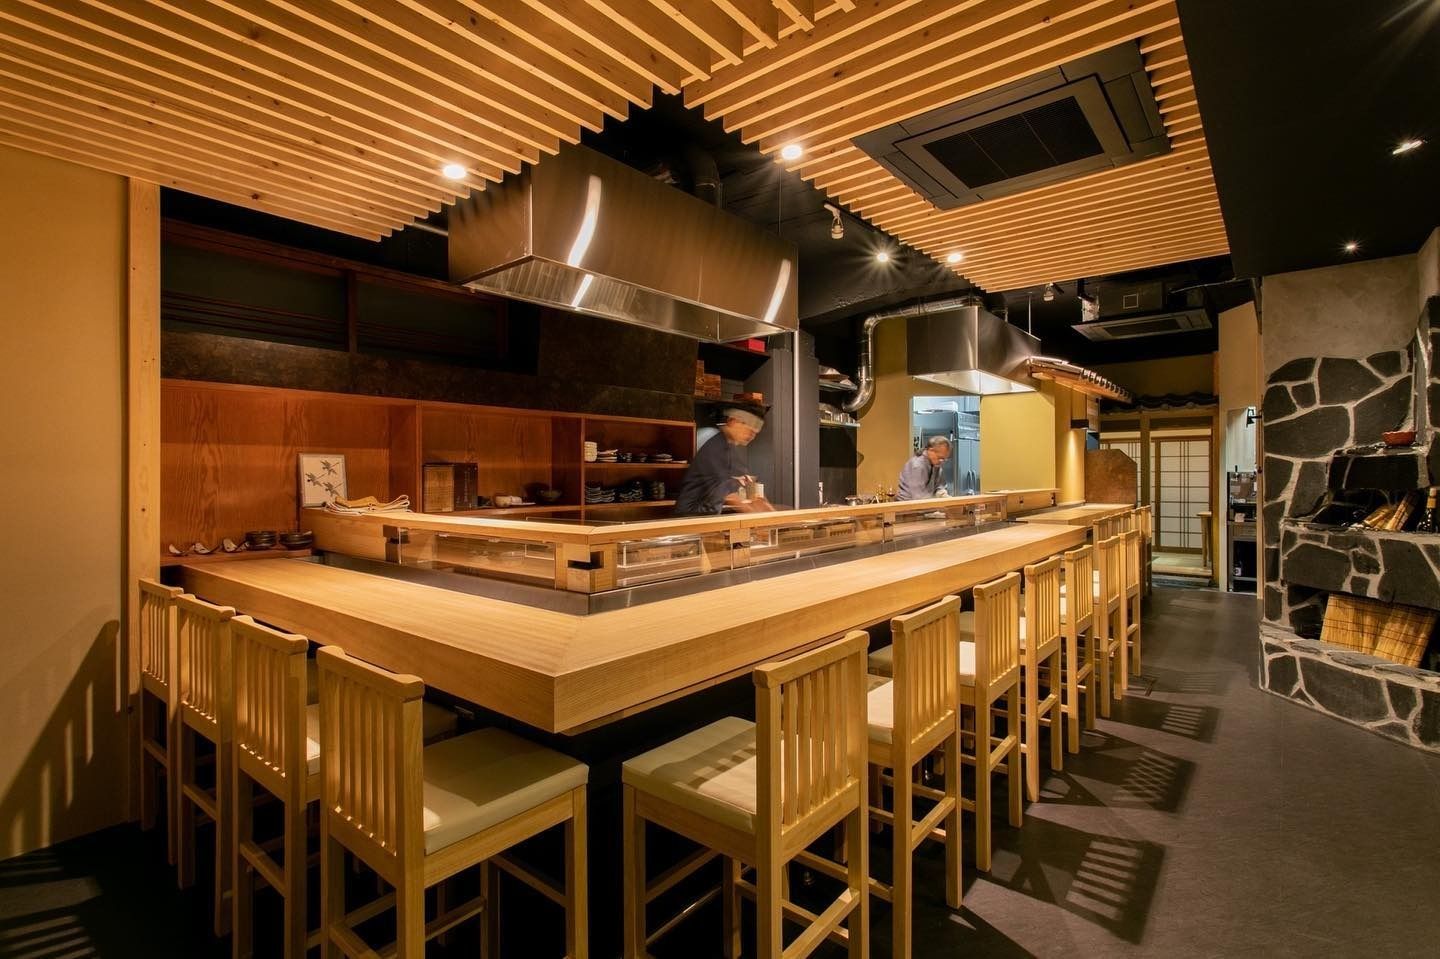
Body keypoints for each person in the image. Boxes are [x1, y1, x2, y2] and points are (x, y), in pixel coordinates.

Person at [673, 407, 776, 515]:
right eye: (749, 431)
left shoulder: (729, 447)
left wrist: (770, 511)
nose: (751, 436)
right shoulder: (716, 447)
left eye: (755, 433)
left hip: (707, 516)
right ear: (733, 421)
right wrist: (755, 516)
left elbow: (749, 484)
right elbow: (729, 495)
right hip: (691, 516)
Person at [896, 436, 951, 501]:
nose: (941, 461)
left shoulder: (936, 464)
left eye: (944, 459)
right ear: (931, 450)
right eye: (940, 458)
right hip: (907, 504)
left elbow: (939, 486)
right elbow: (918, 496)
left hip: (924, 503)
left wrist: (944, 496)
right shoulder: (917, 465)